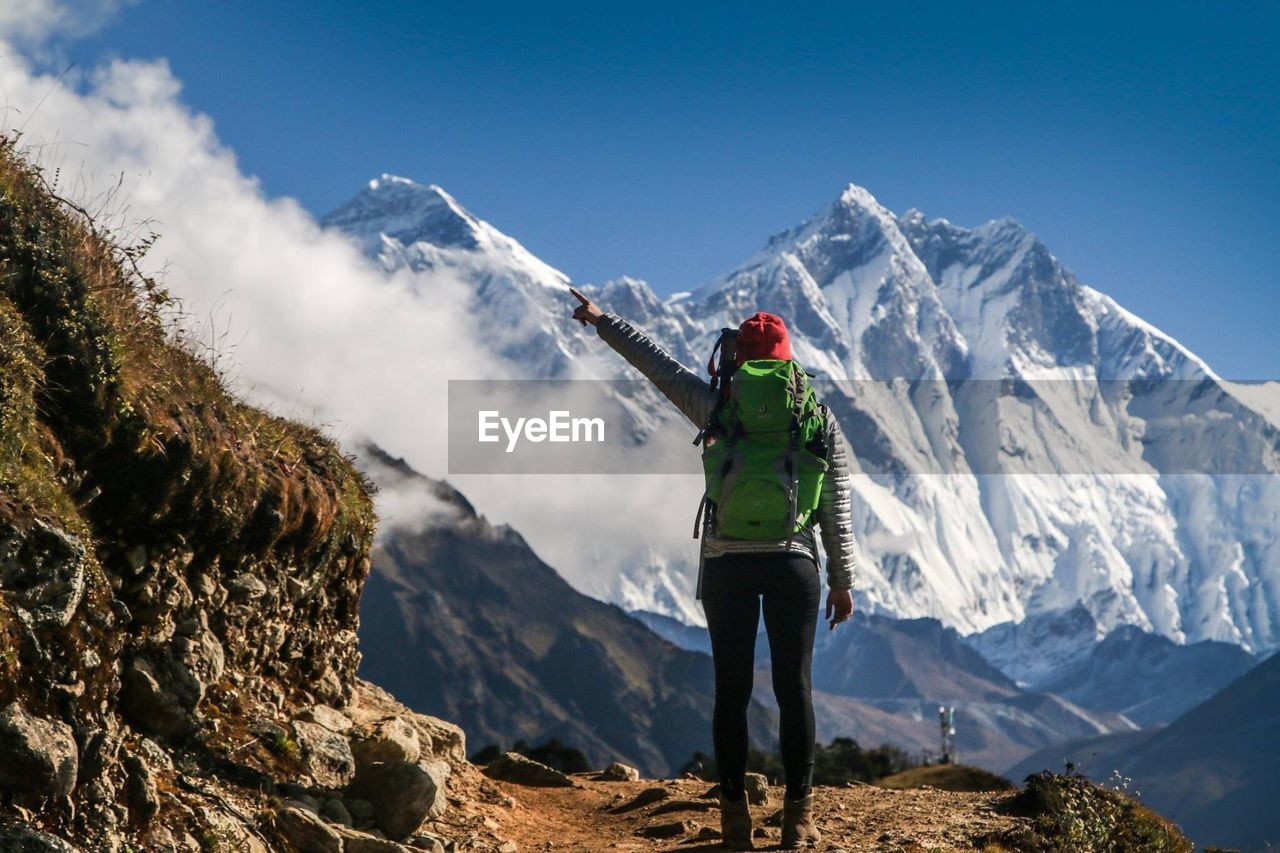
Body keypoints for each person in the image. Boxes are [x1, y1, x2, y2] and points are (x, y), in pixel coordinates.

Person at [570, 287, 855, 850]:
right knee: (794, 689)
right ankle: (798, 820)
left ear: (737, 358)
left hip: (727, 565)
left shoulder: (717, 406)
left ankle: (735, 822)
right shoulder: (817, 417)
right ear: (788, 359)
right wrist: (842, 581)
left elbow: (657, 365)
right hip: (794, 563)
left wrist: (603, 322)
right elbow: (835, 507)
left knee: (731, 691)